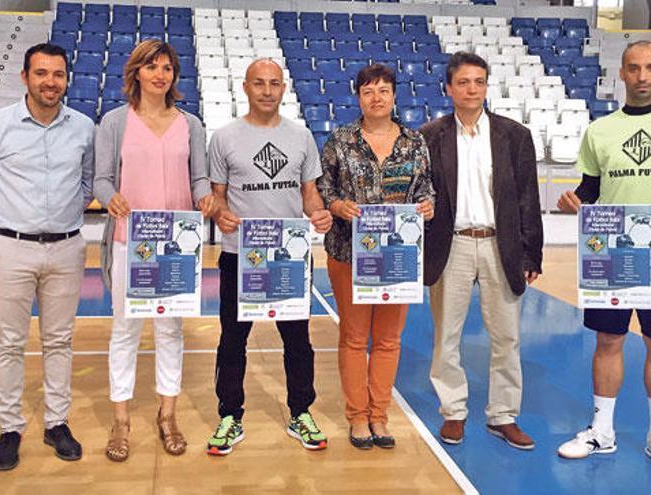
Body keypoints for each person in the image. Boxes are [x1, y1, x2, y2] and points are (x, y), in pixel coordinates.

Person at [555, 40, 651, 478]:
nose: (641, 76)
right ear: (621, 74)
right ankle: (601, 430)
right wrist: (574, 200)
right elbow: (590, 187)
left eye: (649, 68)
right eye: (633, 68)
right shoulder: (599, 130)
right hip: (611, 245)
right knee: (608, 340)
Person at [0, 42, 95, 470]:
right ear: (25, 77)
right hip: (10, 248)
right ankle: (10, 428)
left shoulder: (83, 128)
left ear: (66, 79)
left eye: (58, 74)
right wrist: (7, 220)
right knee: (10, 342)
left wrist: (59, 217)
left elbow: (88, 183)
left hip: (66, 248)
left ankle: (57, 423)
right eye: (41, 73)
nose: (50, 82)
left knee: (60, 340)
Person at [93, 39, 214, 462]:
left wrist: (204, 199)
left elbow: (199, 178)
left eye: (167, 67)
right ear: (137, 73)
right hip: (131, 241)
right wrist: (111, 197)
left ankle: (168, 415)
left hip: (176, 245)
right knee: (125, 331)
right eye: (152, 67)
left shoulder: (191, 124)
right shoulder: (114, 122)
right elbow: (101, 179)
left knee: (170, 332)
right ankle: (121, 419)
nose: (160, 74)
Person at [205, 59, 333, 455]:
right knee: (232, 340)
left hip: (288, 256)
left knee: (297, 341)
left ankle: (301, 411)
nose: (266, 90)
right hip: (240, 255)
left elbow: (309, 191)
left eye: (274, 84)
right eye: (258, 83)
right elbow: (218, 195)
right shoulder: (224, 138)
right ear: (245, 87)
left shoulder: (301, 136)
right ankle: (230, 414)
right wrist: (219, 213)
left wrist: (318, 212)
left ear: (283, 88)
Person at [420, 52, 543, 450]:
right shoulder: (428, 136)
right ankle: (453, 411)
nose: (472, 89)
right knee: (447, 336)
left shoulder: (515, 135)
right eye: (464, 82)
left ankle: (503, 415)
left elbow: (528, 197)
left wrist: (532, 253)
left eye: (479, 82)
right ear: (449, 88)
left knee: (506, 337)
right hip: (451, 244)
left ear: (487, 87)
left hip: (499, 244)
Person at [316, 63, 434, 450]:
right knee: (353, 337)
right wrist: (336, 206)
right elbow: (324, 188)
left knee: (387, 340)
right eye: (368, 91)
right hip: (348, 253)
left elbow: (425, 190)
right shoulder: (340, 140)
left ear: (394, 95)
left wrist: (427, 206)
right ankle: (357, 416)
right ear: (358, 97)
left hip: (396, 256)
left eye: (383, 89)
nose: (377, 97)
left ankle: (379, 414)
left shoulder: (414, 142)